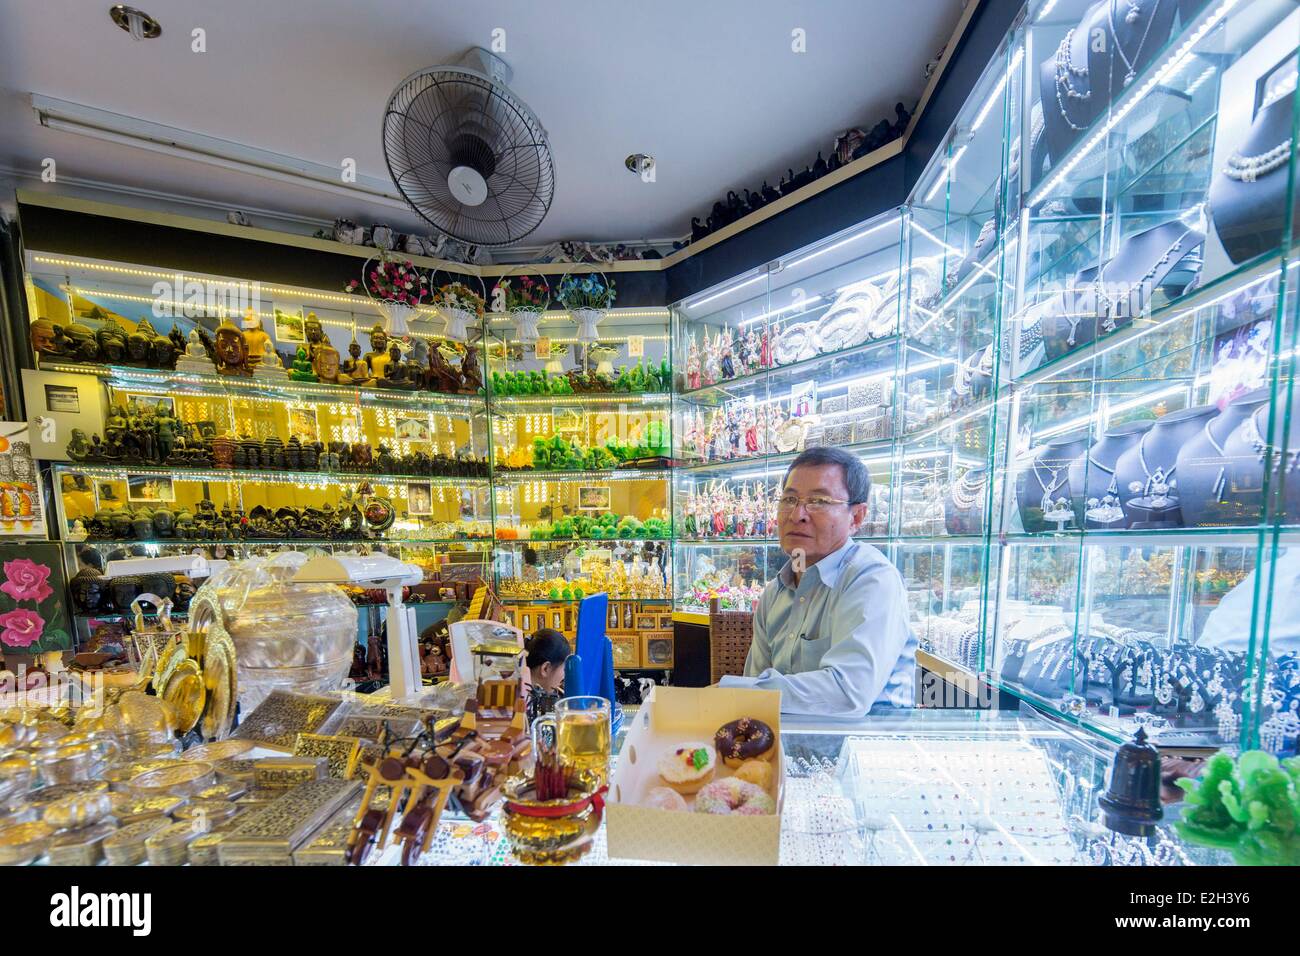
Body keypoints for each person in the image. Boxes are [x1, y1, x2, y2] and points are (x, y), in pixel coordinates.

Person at [719, 446, 916, 716]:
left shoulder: (871, 580)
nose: (796, 514)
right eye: (789, 499)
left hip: (867, 738)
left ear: (856, 517)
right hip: (791, 739)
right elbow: (756, 689)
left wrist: (731, 693)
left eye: (819, 501)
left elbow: (848, 693)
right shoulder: (776, 592)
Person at [525, 628, 569, 726]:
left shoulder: (523, 695)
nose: (564, 676)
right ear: (545, 668)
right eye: (564, 669)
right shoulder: (523, 706)